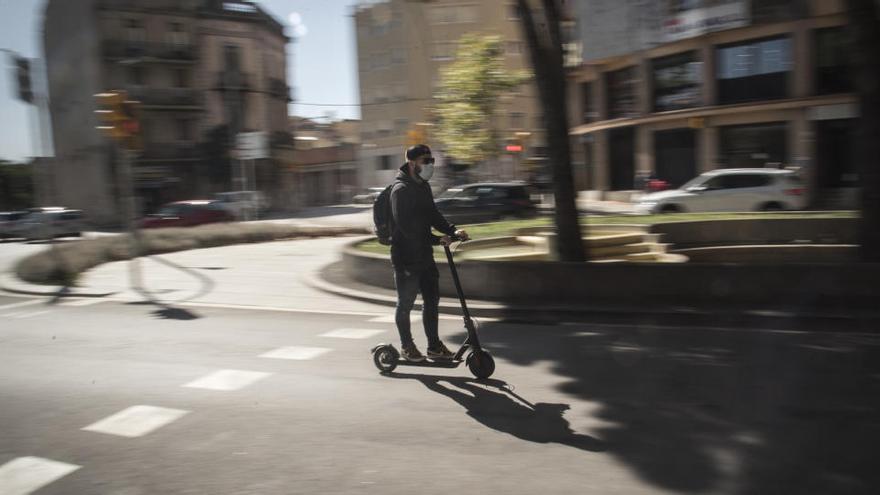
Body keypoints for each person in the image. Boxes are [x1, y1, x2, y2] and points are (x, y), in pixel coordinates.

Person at [390, 144, 469, 362]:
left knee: (432, 300)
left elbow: (432, 214)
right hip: (405, 257)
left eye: (432, 161)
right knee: (405, 303)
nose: (430, 165)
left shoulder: (423, 187)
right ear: (412, 163)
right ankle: (407, 347)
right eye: (426, 161)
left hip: (424, 255)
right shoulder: (401, 190)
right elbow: (406, 228)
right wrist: (436, 239)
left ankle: (434, 347)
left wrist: (452, 230)